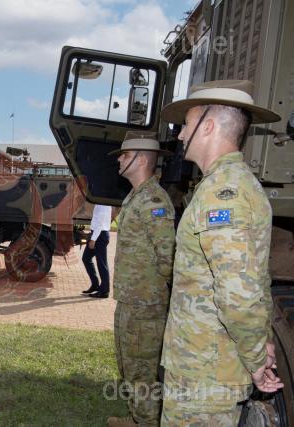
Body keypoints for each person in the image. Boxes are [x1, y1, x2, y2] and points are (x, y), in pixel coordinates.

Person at [160, 80, 283, 425]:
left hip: (204, 376)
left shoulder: (222, 193)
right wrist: (262, 344)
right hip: (207, 367)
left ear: (208, 126)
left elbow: (238, 293)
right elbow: (256, 280)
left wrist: (256, 358)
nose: (180, 135)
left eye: (186, 124)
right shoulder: (232, 184)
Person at [105, 132, 176, 427]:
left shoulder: (154, 200)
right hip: (130, 300)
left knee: (142, 371)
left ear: (141, 159)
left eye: (124, 155)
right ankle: (137, 417)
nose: (119, 160)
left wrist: (156, 296)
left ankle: (146, 422)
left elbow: (168, 256)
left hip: (145, 304)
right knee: (129, 366)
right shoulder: (136, 195)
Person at [81, 204, 112, 298]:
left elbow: (100, 224)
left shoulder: (103, 204)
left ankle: (104, 291)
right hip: (97, 234)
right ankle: (95, 285)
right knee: (86, 258)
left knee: (102, 264)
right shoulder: (99, 203)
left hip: (100, 235)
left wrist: (93, 239)